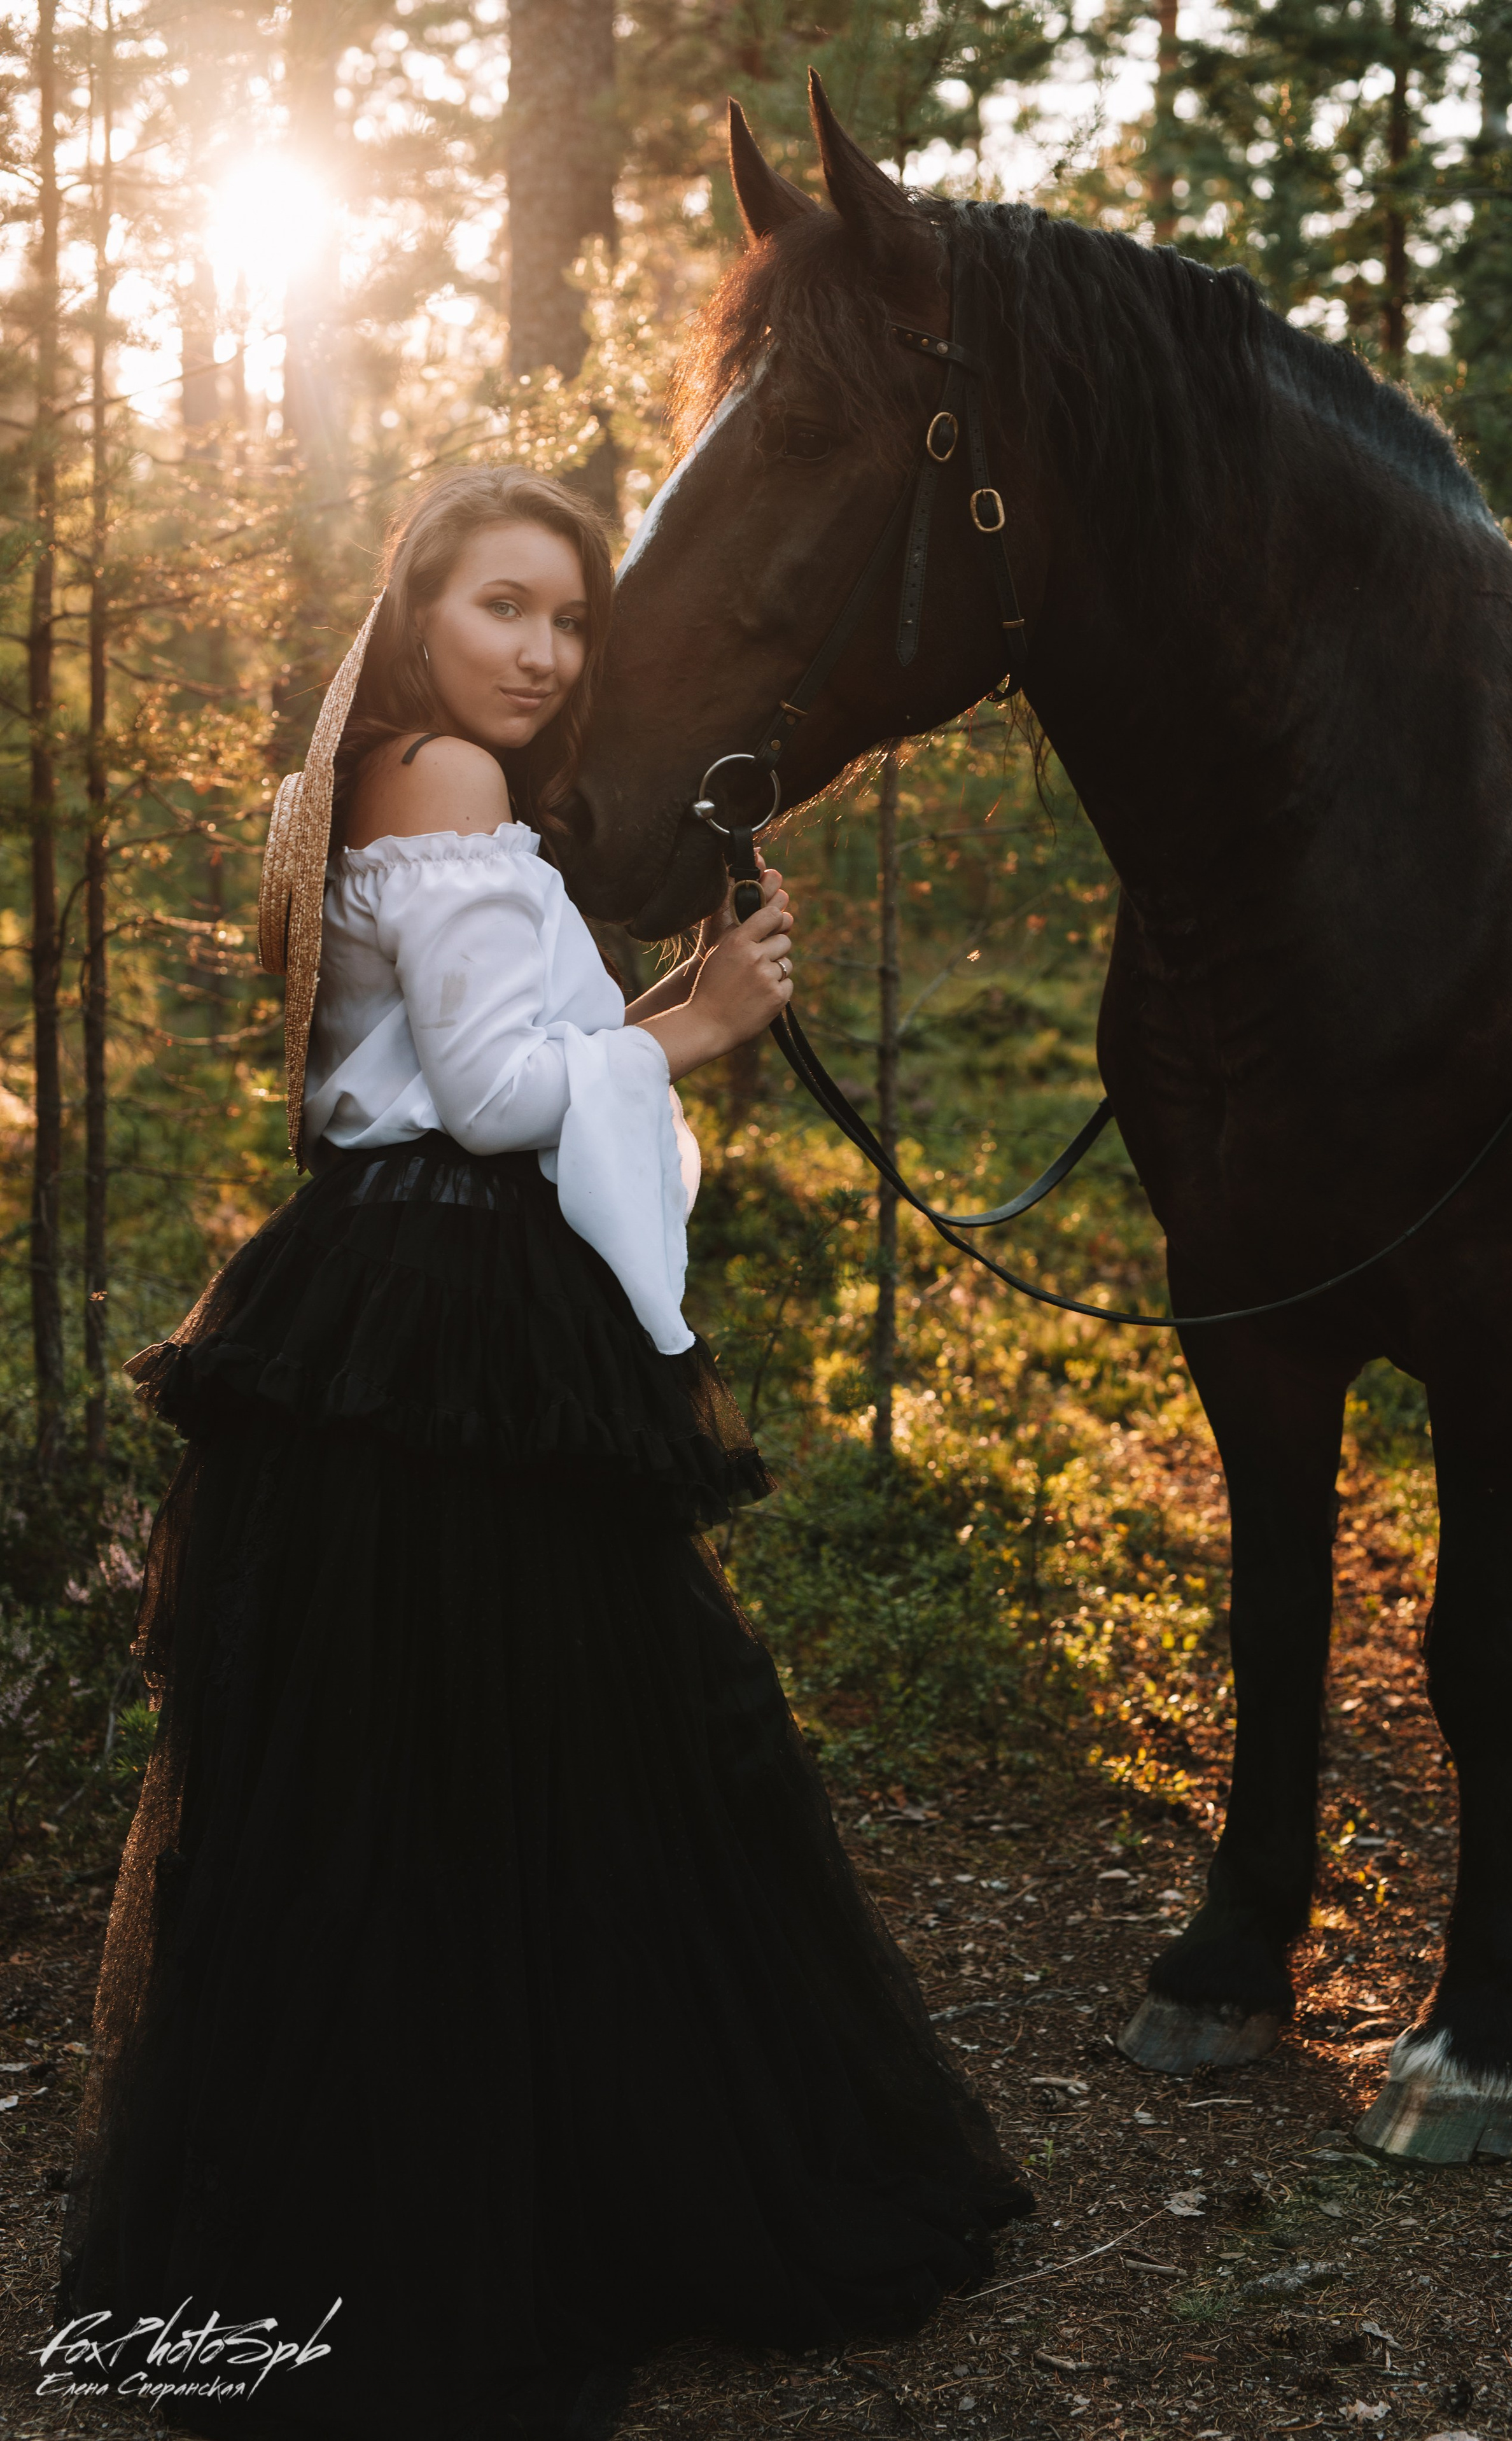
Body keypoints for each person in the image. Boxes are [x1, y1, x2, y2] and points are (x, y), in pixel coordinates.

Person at [52, 466, 1032, 2441]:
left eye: (570, 620)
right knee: (536, 1756)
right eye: (506, 604)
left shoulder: (400, 780)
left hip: (402, 1307)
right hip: (442, 1317)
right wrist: (692, 1033)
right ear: (416, 608)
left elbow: (482, 1044)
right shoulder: (449, 787)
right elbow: (504, 1095)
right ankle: (480, 2234)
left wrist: (682, 995)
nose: (543, 650)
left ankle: (480, 2198)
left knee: (444, 1771)